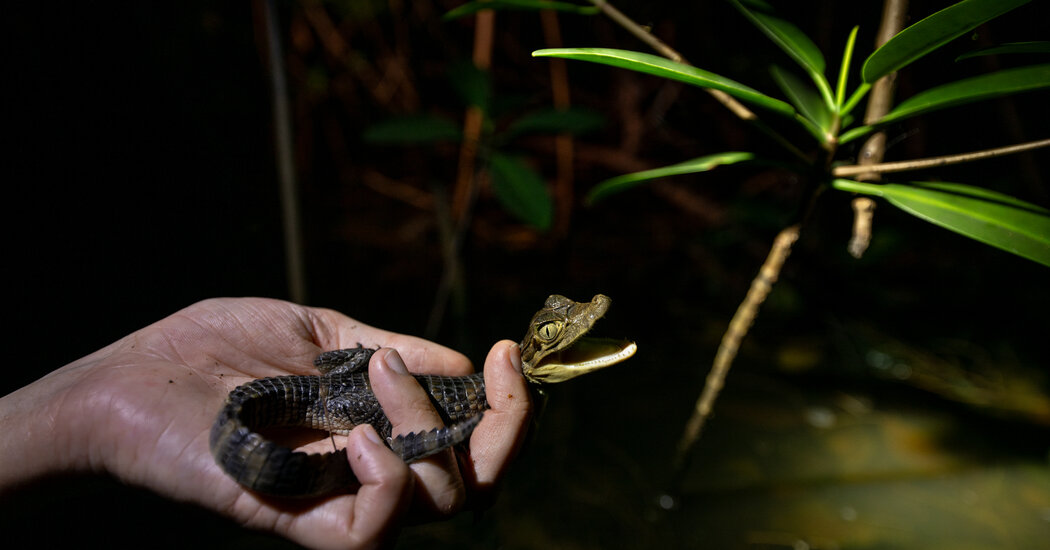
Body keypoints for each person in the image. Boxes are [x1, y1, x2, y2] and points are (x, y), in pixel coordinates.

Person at [0, 297, 532, 550]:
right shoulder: (493, 390)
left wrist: (90, 407)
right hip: (341, 405)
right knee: (410, 434)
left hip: (322, 391)